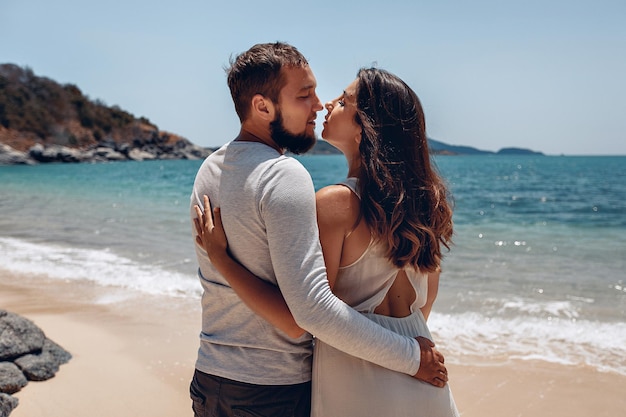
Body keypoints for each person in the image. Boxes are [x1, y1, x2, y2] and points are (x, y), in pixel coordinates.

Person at [189, 42, 448, 417]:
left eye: (340, 100)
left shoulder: (209, 169)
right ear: (263, 106)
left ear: (366, 127)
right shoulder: (422, 207)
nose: (321, 104)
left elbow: (307, 312)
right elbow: (417, 309)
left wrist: (220, 258)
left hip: (217, 375)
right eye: (305, 95)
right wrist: (411, 356)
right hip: (283, 388)